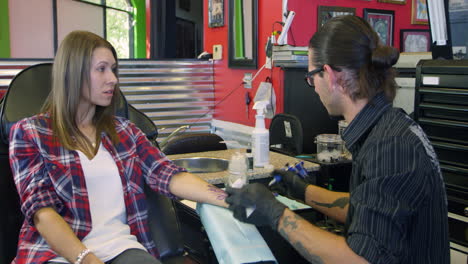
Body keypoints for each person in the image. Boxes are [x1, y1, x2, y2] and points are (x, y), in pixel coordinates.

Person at [226, 15, 449, 264]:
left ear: (330, 75)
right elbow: (364, 211)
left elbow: (360, 260)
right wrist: (301, 190)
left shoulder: (391, 147)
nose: (313, 86)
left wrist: (275, 214)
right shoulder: (386, 129)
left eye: (312, 77)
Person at [9, 30, 228, 264]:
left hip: (121, 249)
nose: (112, 78)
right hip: (58, 254)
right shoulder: (30, 133)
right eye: (102, 69)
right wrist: (87, 259)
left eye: (113, 69)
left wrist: (228, 199)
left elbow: (168, 175)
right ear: (73, 73)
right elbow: (43, 213)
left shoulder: (126, 131)